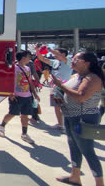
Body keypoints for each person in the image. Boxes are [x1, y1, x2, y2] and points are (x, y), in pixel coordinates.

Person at [52, 52, 104, 186]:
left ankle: (99, 183)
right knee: (73, 146)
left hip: (83, 118)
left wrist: (60, 85)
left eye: (77, 59)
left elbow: (81, 96)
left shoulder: (92, 78)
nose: (73, 61)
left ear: (87, 63)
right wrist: (59, 94)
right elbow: (69, 92)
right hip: (70, 116)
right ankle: (75, 176)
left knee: (87, 150)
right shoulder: (77, 75)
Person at [0, 50, 39, 144]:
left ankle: (24, 134)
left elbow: (30, 82)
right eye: (29, 56)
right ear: (23, 57)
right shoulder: (14, 68)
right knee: (12, 113)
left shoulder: (28, 69)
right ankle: (2, 126)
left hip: (27, 96)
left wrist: (35, 94)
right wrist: (10, 93)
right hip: (16, 96)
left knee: (25, 115)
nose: (30, 58)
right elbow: (7, 81)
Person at [36, 46, 72, 132]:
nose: (54, 54)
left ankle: (67, 124)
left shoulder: (68, 60)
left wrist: (50, 50)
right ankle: (60, 124)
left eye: (56, 52)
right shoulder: (55, 62)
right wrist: (37, 51)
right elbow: (43, 59)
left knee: (66, 106)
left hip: (64, 86)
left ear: (63, 54)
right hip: (54, 86)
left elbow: (60, 57)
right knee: (56, 106)